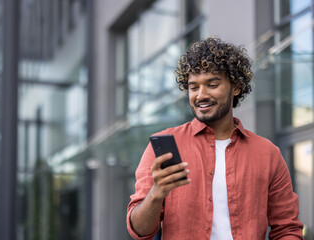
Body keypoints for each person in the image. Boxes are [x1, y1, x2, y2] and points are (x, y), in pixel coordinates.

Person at [126, 37, 303, 240]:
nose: (201, 95)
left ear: (235, 87)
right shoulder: (165, 144)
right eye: (193, 87)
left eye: (212, 84)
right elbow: (139, 231)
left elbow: (287, 228)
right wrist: (157, 193)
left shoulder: (267, 153)